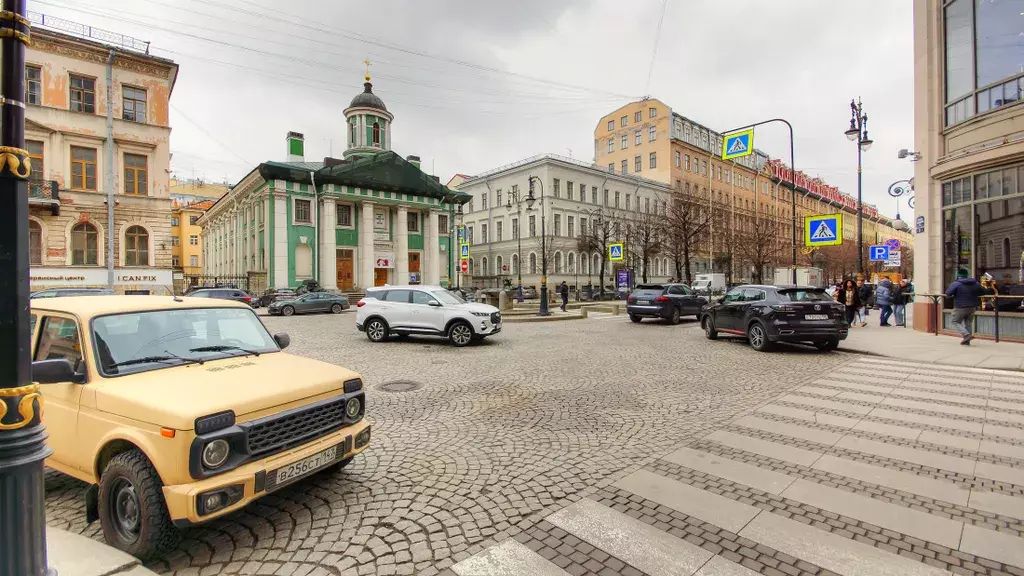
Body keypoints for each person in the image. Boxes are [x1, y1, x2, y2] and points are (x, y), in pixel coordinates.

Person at [946, 269, 992, 345]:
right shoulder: (975, 283)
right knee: (968, 323)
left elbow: (948, 293)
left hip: (960, 306)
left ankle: (966, 335)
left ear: (958, 275)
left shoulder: (956, 283)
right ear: (967, 275)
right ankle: (966, 341)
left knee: (955, 321)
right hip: (972, 307)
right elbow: (984, 291)